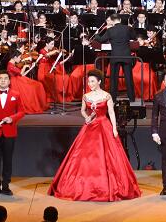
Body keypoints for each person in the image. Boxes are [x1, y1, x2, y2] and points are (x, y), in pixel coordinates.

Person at [48, 73, 141, 202]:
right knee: (85, 156)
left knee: (109, 155)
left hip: (104, 125)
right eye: (89, 82)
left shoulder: (107, 96)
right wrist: (86, 117)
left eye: (92, 81)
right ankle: (85, 185)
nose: (90, 84)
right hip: (90, 127)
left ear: (99, 81)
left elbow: (111, 112)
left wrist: (114, 128)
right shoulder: (86, 96)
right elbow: (82, 110)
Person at [99, 15, 135, 101]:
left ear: (112, 21)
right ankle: (132, 98)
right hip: (126, 56)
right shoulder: (127, 28)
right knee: (129, 78)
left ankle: (113, 98)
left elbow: (101, 40)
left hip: (115, 56)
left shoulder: (110, 30)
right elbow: (134, 37)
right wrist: (131, 28)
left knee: (113, 79)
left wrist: (97, 34)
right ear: (120, 19)